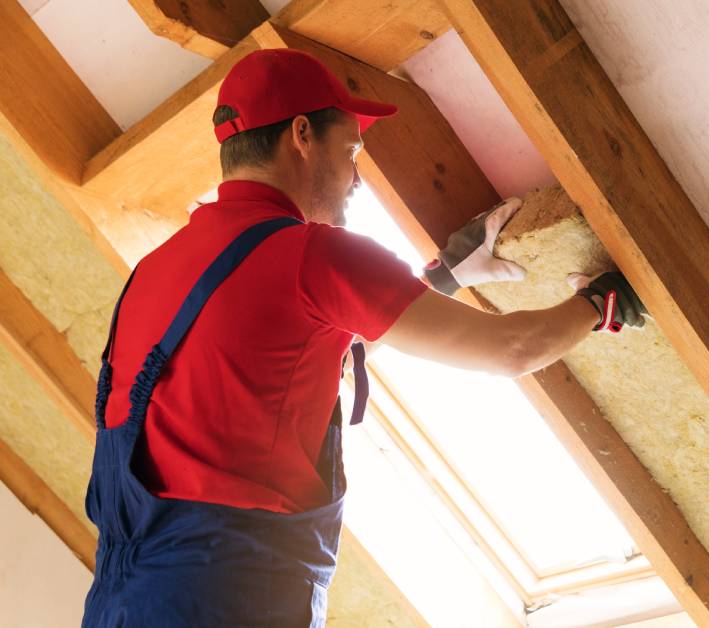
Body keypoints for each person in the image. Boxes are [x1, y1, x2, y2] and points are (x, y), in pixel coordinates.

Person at [82, 48, 646, 627]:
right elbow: (512, 349)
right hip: (230, 600)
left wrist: (443, 278)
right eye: (350, 150)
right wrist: (604, 302)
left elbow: (299, 363)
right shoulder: (313, 254)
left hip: (120, 602)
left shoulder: (156, 268)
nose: (356, 177)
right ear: (302, 134)